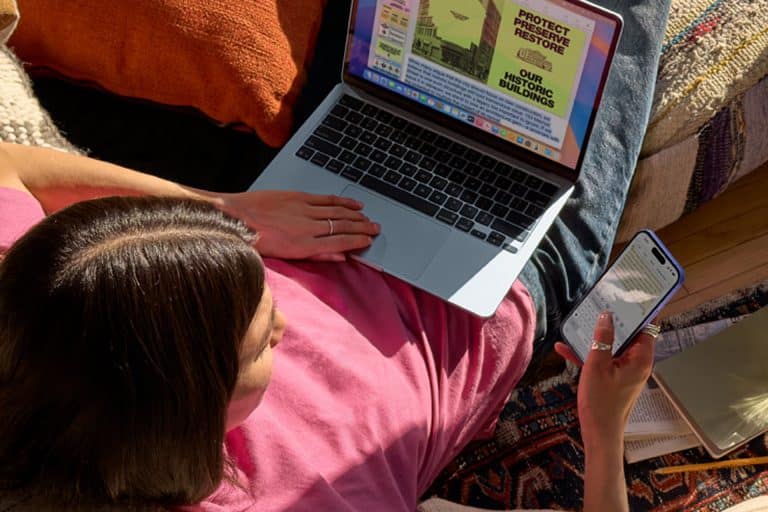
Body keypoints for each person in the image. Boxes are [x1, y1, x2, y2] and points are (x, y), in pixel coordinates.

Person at [0, 1, 671, 509]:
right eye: (264, 339)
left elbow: (10, 165)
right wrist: (603, 426)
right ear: (187, 421)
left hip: (310, 192)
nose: (286, 325)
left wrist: (232, 214)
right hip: (508, 281)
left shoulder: (36, 331)